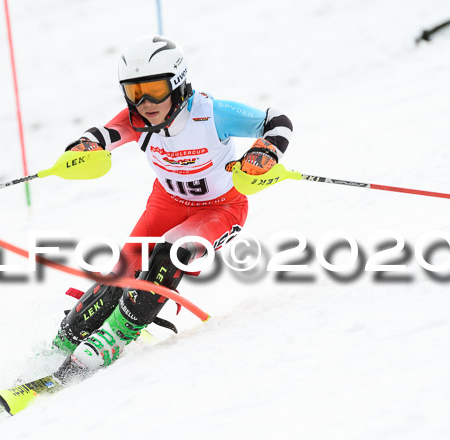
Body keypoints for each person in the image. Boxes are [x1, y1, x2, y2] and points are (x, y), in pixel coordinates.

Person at [51, 35, 292, 380]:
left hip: (219, 208)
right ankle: (62, 343)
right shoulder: (138, 119)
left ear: (178, 84)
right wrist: (84, 146)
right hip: (165, 204)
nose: (146, 102)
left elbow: (277, 120)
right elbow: (104, 135)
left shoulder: (211, 114)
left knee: (172, 252)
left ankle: (119, 334)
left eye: (154, 89)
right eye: (135, 92)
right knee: (120, 273)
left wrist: (266, 150)